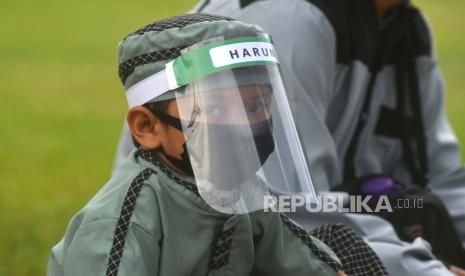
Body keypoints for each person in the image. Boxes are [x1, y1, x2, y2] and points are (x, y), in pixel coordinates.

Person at [109, 0, 465, 275]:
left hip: (310, 225)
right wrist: (421, 268)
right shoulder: (291, 17)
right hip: (215, 244)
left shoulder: (404, 25)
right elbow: (289, 209)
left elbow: (439, 182)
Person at [48, 14, 388, 276]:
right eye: (212, 109)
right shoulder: (122, 222)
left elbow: (309, 263)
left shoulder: (245, 195)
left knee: (340, 244)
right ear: (147, 127)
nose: (242, 126)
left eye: (256, 106)